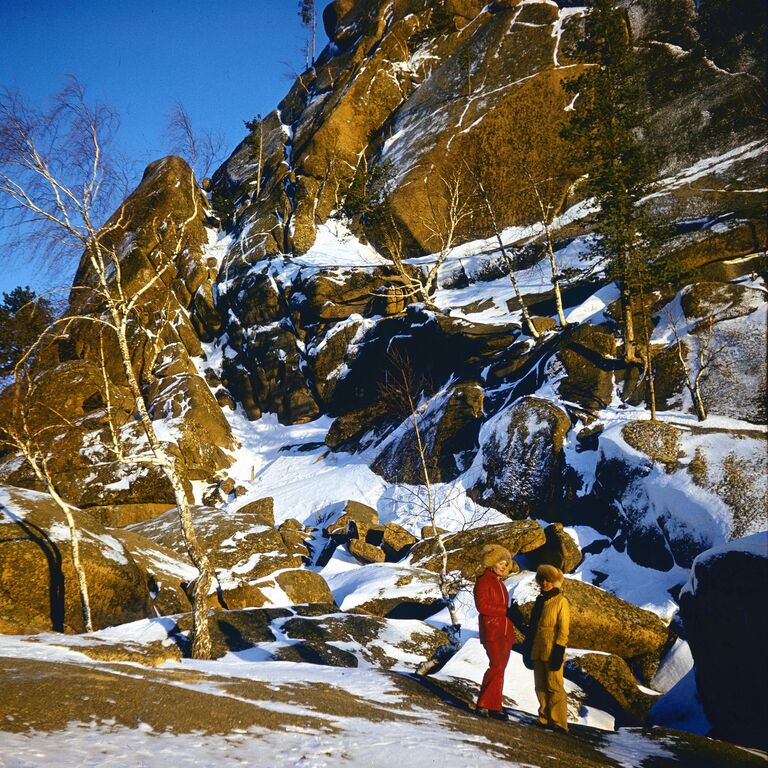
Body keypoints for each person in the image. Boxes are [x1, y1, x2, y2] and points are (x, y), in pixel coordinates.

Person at [521, 564, 570, 733]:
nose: (544, 583)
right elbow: (533, 627)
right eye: (542, 580)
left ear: (555, 582)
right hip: (538, 648)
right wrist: (527, 646)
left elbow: (564, 629)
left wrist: (559, 649)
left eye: (548, 580)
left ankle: (559, 722)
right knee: (540, 685)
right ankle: (544, 718)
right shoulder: (540, 601)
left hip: (552, 648)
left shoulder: (561, 601)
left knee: (554, 685)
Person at [473, 543, 515, 720]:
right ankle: (483, 704)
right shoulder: (484, 581)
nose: (504, 566)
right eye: (501, 562)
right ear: (492, 562)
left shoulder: (501, 584)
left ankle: (494, 706)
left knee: (500, 669)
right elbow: (482, 606)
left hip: (505, 633)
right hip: (491, 631)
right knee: (496, 666)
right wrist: (506, 611)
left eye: (506, 563)